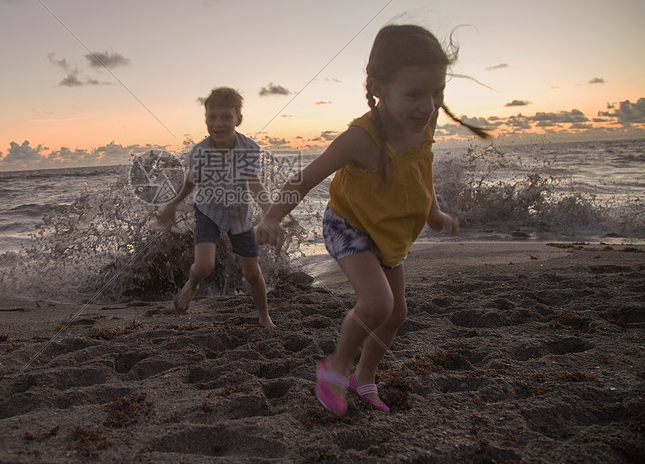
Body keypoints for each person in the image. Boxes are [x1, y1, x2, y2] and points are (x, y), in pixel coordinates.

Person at [255, 24, 489, 414]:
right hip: (349, 225)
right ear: (378, 86)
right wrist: (273, 216)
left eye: (436, 93)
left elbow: (421, 170)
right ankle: (336, 366)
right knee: (377, 303)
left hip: (391, 229)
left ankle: (364, 377)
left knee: (397, 312)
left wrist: (433, 210)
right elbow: (306, 177)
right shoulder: (361, 137)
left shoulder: (424, 122)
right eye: (414, 94)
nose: (427, 105)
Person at [156, 87, 275, 328]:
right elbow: (190, 183)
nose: (218, 124)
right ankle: (192, 284)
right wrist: (172, 205)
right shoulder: (200, 152)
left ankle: (264, 316)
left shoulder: (249, 149)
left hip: (240, 215)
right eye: (212, 117)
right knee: (204, 266)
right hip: (208, 211)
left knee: (252, 273)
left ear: (238, 119)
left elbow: (255, 184)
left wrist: (272, 216)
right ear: (205, 119)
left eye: (226, 117)